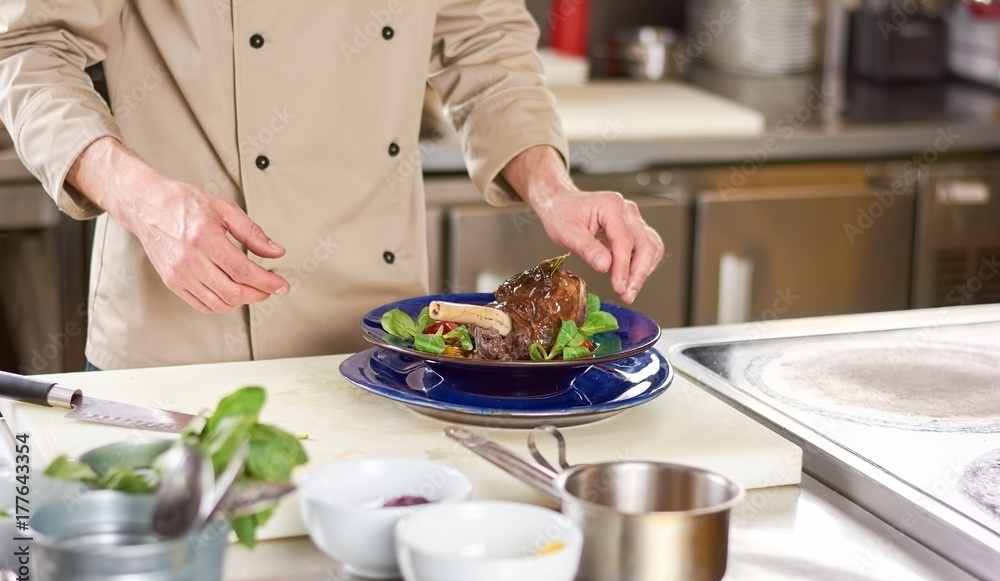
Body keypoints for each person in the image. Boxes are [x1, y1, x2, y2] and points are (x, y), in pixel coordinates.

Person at [0, 1, 664, 371]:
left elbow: (483, 43)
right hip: (189, 335)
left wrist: (553, 188)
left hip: (384, 345)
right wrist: (142, 198)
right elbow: (28, 47)